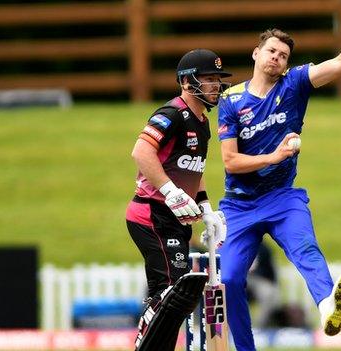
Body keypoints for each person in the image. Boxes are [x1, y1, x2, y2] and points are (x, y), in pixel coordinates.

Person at [216, 2, 341, 350]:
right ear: (256, 53)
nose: (277, 57)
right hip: (239, 206)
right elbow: (230, 162)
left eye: (283, 55)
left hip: (282, 198)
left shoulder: (293, 84)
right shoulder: (231, 100)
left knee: (305, 247)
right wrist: (274, 155)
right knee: (229, 278)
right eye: (271, 51)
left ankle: (328, 307)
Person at [125, 48, 230, 351]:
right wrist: (170, 191)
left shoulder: (202, 121)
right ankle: (143, 339)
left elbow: (194, 169)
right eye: (209, 78)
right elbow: (141, 152)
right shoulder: (170, 114)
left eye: (217, 79)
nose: (215, 85)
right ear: (187, 81)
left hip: (177, 219)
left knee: (177, 300)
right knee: (174, 291)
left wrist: (207, 209)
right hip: (151, 214)